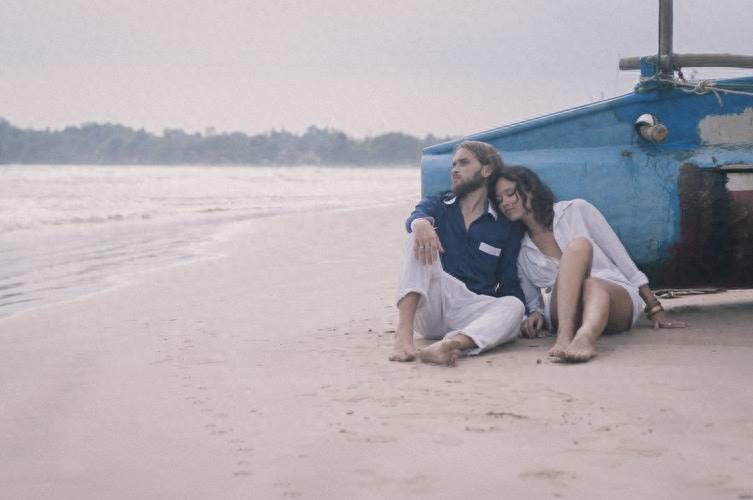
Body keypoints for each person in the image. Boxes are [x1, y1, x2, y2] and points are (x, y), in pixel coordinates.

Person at [490, 165, 687, 362]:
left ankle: (584, 337)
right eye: (499, 200)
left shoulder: (576, 210)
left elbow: (621, 258)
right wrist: (535, 315)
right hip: (563, 311)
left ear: (530, 189)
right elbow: (534, 301)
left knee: (583, 257)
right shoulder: (520, 247)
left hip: (612, 297)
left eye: (510, 194)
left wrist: (655, 308)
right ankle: (566, 336)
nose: (505, 203)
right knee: (582, 267)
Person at [390, 141, 526, 366]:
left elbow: (509, 281)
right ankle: (403, 336)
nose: (455, 169)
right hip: (433, 302)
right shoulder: (439, 203)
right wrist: (421, 223)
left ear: (486, 170)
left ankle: (451, 345)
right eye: (453, 164)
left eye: (463, 163)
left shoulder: (505, 225)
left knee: (515, 306)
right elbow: (417, 215)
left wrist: (531, 314)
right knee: (416, 235)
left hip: (471, 309)